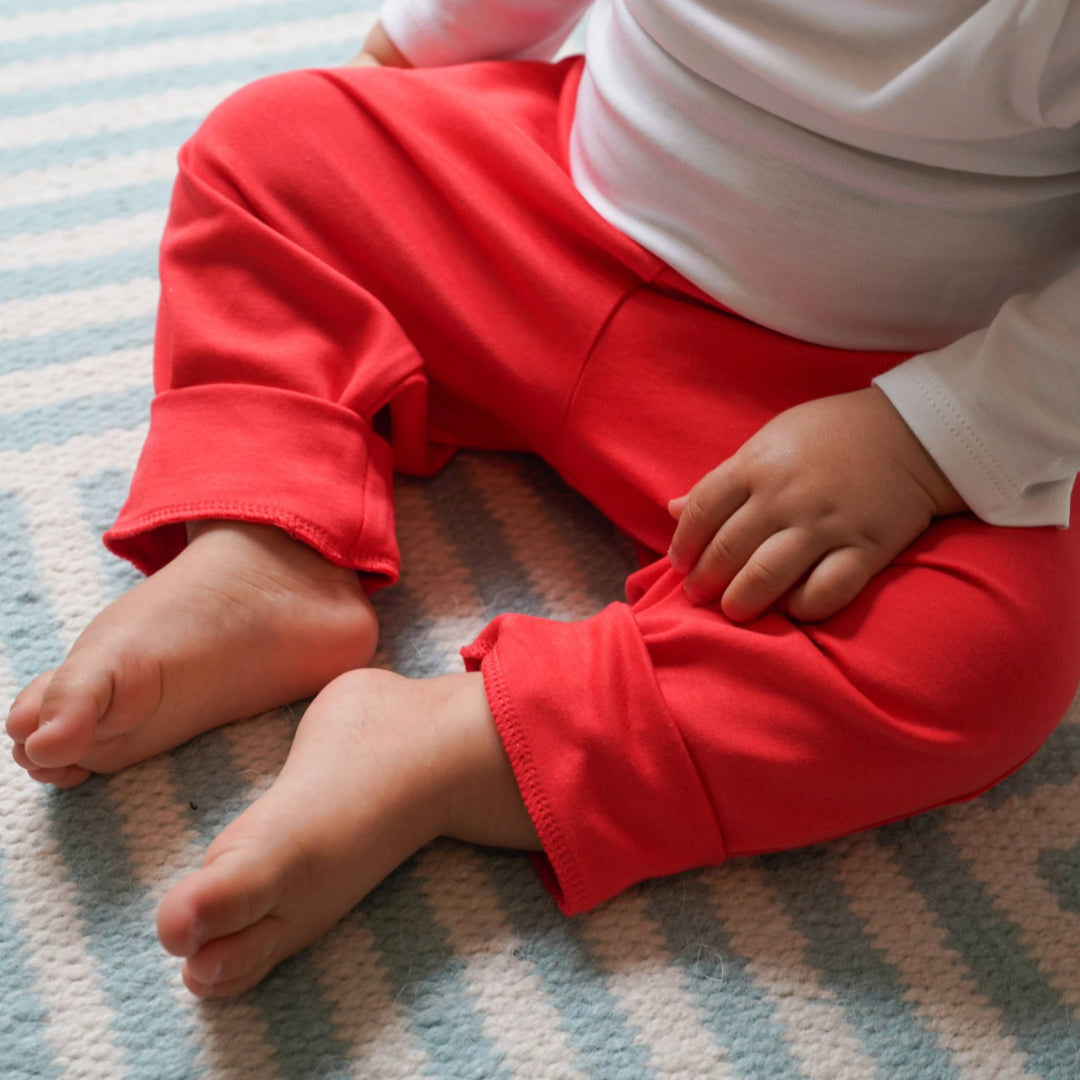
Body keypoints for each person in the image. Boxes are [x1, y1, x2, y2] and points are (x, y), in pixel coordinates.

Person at [7, 0, 1080, 998]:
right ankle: (264, 545)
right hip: (545, 215)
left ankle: (453, 750)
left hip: (854, 401)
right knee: (270, 142)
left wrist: (927, 440)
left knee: (986, 654)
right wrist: (400, 70)